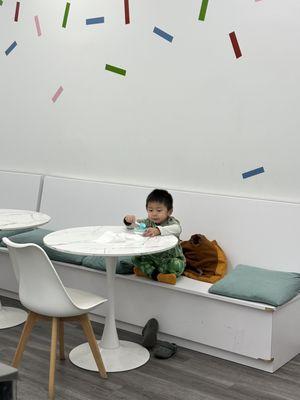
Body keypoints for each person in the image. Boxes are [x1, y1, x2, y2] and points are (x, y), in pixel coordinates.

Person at [123, 189, 185, 285]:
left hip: (168, 259)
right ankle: (157, 275)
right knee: (135, 259)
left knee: (176, 265)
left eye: (159, 210)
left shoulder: (171, 222)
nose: (154, 213)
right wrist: (128, 220)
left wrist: (158, 230)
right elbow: (133, 225)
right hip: (151, 258)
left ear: (169, 211)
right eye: (150, 210)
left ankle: (148, 272)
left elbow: (177, 229)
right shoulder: (148, 222)